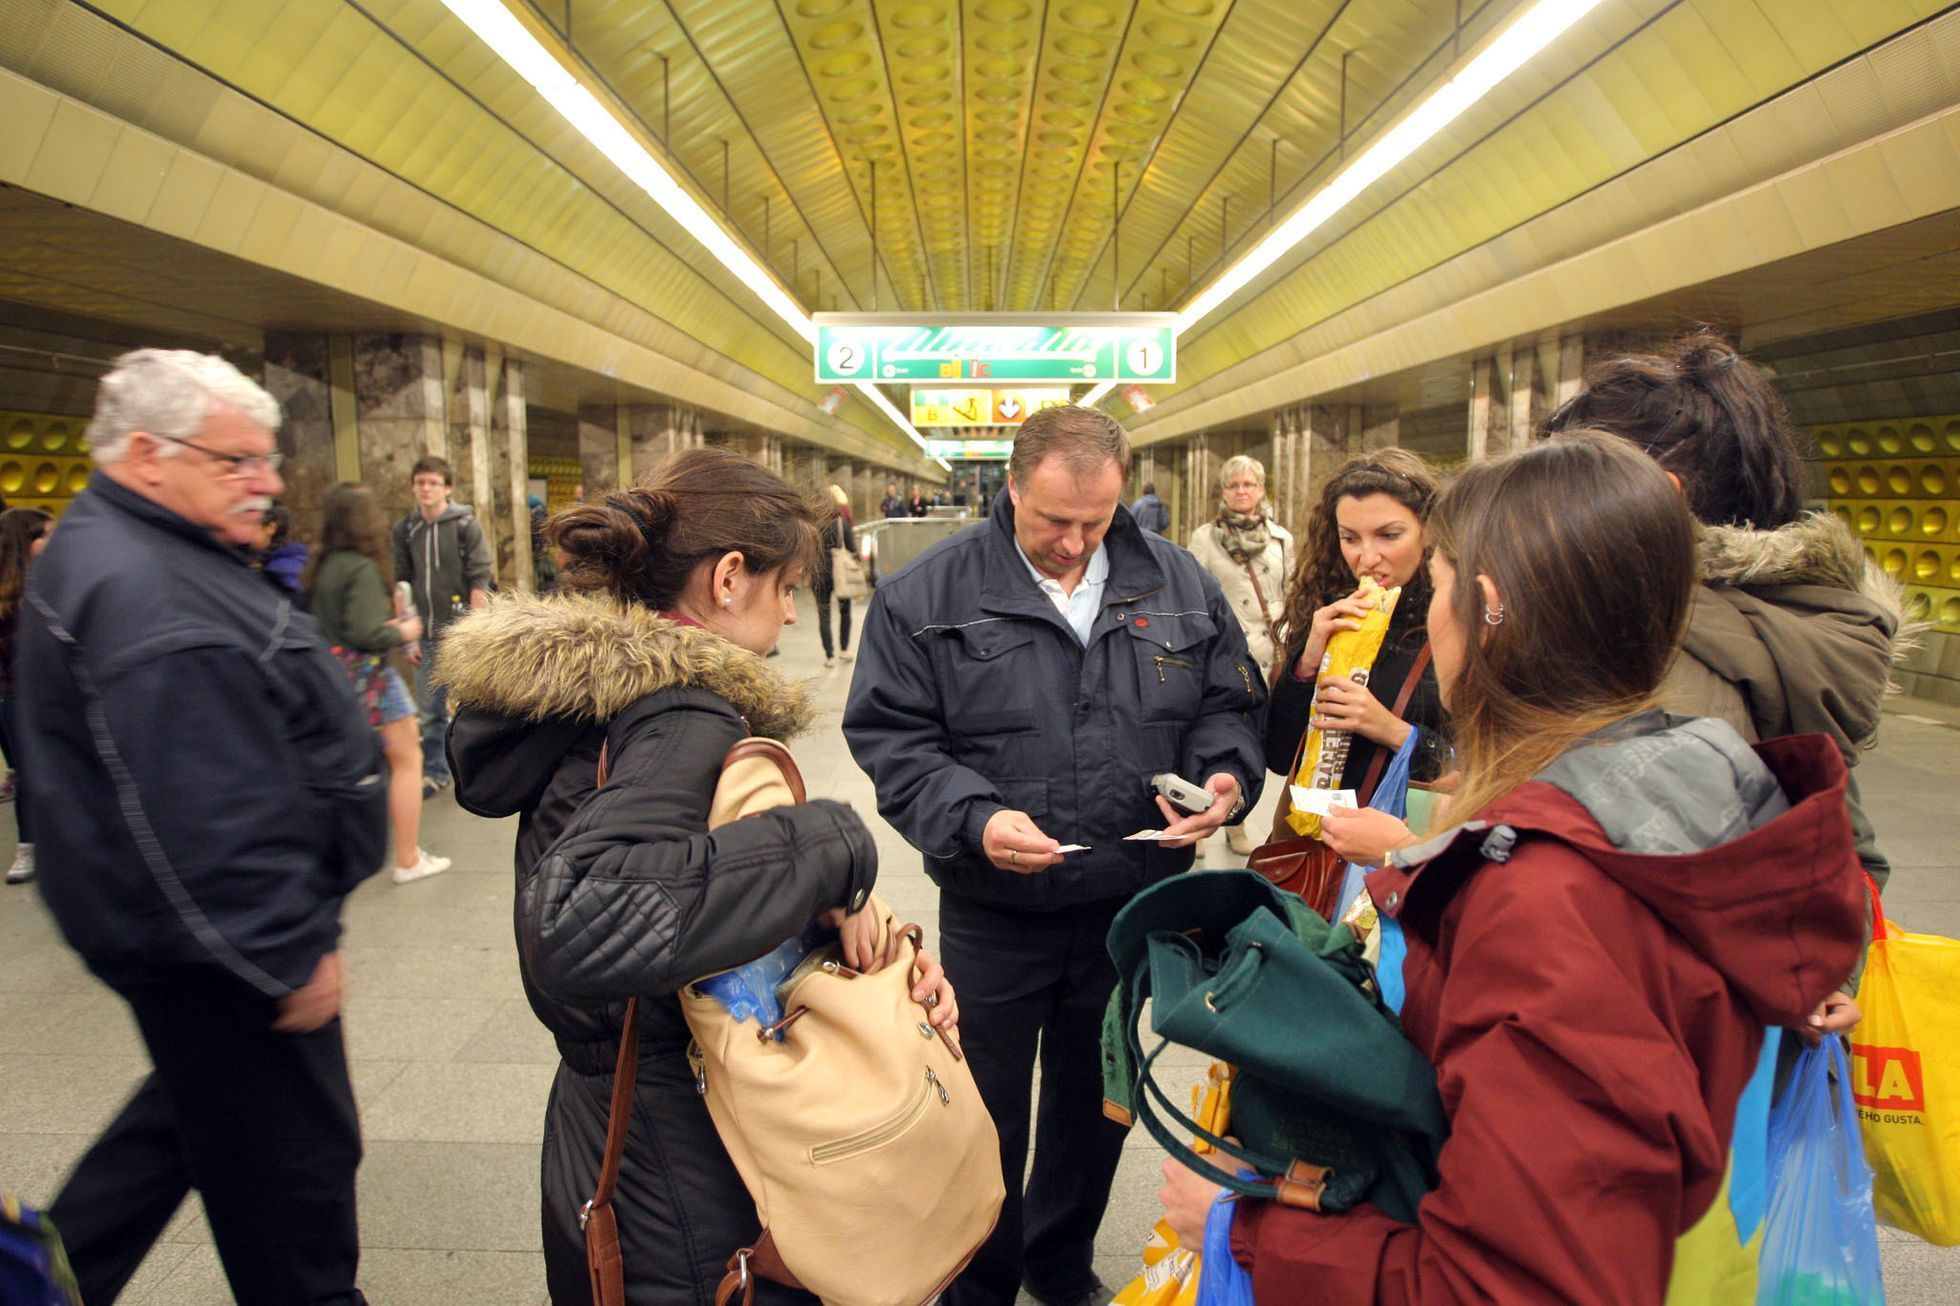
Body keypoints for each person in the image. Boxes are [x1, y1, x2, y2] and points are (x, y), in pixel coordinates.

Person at [1161, 433, 1866, 1302]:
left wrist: (1249, 1235)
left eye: (1441, 579)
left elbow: (1516, 1283)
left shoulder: (1542, 899)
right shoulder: (1712, 781)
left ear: (1487, 604)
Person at [438, 447, 959, 1304]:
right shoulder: (678, 710)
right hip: (676, 1143)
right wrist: (827, 841)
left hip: (605, 1113)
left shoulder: (591, 699)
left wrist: (834, 911)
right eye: (786, 587)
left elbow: (683, 878)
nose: (791, 616)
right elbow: (581, 916)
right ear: (726, 578)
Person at [844, 405, 1266, 1306]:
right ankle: (981, 1282)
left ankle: (1058, 1257)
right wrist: (975, 821)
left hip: (1129, 906)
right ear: (1009, 489)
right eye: (1053, 522)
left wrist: (1222, 781)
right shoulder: (926, 597)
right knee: (983, 1111)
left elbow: (1227, 705)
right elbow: (895, 740)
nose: (1075, 543)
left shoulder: (1182, 584)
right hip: (996, 912)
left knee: (1095, 1104)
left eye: (1096, 522)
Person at [20, 349, 383, 1305]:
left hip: (182, 945)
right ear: (147, 453)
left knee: (189, 1119)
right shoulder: (153, 598)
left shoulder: (142, 548)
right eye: (237, 461)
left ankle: (43, 1273)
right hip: (229, 957)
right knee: (296, 1208)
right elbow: (205, 810)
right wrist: (290, 952)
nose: (265, 482)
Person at [1539, 331, 1903, 1032]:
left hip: (1647, 1048)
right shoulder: (1767, 628)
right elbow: (1847, 850)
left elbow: (1610, 899)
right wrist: (1820, 973)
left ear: (1657, 499)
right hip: (1734, 1050)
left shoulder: (1664, 656)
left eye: (1566, 483)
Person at [1266, 449, 1448, 840]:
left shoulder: (1455, 623)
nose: (1367, 558)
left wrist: (1393, 731)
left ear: (1429, 531)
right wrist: (1307, 662)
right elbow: (1278, 756)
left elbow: (1480, 768)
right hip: (1315, 849)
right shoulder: (1328, 609)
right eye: (1350, 538)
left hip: (1404, 849)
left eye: (1389, 535)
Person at [306, 483, 449, 884]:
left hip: (331, 674)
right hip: (369, 677)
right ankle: (407, 857)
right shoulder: (362, 569)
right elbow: (366, 632)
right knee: (408, 760)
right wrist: (403, 632)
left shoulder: (324, 565)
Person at [1187, 456, 1293, 855]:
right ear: (1223, 492)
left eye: (1249, 484)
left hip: (1270, 657)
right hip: (1226, 657)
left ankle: (1236, 822)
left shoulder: (1282, 539)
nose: (1242, 491)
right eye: (1233, 485)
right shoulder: (1205, 539)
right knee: (1222, 736)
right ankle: (1202, 819)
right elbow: (1194, 599)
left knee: (1259, 743)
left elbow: (1290, 592)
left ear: (1262, 490)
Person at [392, 455, 494, 799]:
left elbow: (479, 578)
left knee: (472, 703)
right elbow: (402, 584)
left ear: (447, 488)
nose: (426, 489)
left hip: (460, 631)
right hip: (425, 631)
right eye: (420, 482)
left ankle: (477, 766)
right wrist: (409, 636)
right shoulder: (406, 530)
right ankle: (435, 771)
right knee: (430, 709)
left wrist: (476, 632)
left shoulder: (465, 525)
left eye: (433, 483)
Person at [0, 507, 51, 884]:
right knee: (30, 775)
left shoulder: (56, 583)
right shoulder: (9, 600)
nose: (52, 542)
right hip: (18, 697)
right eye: (42, 535)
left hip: (56, 696)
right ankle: (28, 847)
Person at [812, 483, 857, 667]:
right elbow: (852, 549)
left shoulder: (814, 524)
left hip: (819, 572)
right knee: (845, 611)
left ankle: (829, 655)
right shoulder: (842, 523)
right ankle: (844, 649)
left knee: (823, 614)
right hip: (840, 573)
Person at [254, 503, 306, 597]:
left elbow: (283, 608)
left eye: (253, 525)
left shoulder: (281, 572)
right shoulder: (291, 561)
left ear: (271, 528)